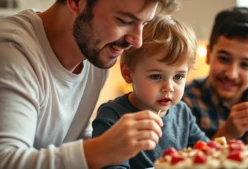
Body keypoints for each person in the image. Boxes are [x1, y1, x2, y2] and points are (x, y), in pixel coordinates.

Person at [0, 0, 180, 169]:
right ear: (76, 2)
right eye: (124, 21)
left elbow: (70, 137)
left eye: (144, 24)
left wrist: (108, 143)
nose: (136, 41)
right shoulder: (11, 51)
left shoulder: (94, 54)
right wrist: (99, 150)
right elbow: (6, 160)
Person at [92, 15, 210, 169]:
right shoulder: (113, 116)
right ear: (128, 73)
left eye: (178, 76)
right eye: (156, 76)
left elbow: (208, 153)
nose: (169, 87)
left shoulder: (182, 112)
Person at [183, 7, 248, 145]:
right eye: (224, 59)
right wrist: (228, 133)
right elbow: (182, 161)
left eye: (245, 65)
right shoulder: (185, 100)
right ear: (209, 55)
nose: (231, 74)